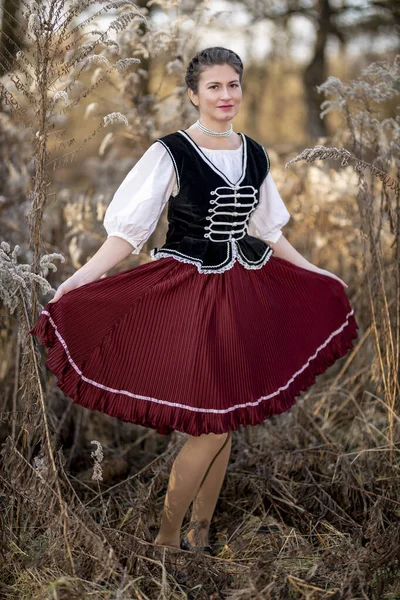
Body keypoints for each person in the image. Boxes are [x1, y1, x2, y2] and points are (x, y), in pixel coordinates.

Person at [29, 47, 359, 560]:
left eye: (233, 85)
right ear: (193, 94)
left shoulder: (254, 151)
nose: (226, 95)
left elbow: (267, 230)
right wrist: (82, 276)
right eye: (214, 87)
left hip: (242, 290)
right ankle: (165, 540)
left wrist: (314, 272)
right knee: (211, 423)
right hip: (185, 292)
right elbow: (128, 232)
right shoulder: (171, 152)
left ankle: (200, 535)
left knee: (222, 418)